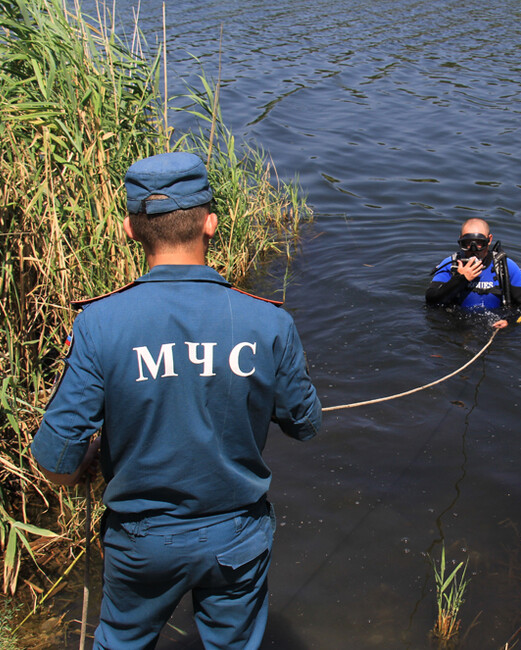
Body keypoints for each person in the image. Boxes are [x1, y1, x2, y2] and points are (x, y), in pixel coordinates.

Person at [30, 151, 322, 649]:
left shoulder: (100, 323)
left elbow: (54, 462)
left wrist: (93, 461)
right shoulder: (268, 321)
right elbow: (305, 423)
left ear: (129, 228)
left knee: (121, 641)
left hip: (140, 541)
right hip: (237, 536)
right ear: (210, 224)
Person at [425, 217, 521, 328]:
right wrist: (460, 279)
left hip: (496, 327)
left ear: (489, 240)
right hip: (457, 326)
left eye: (480, 243)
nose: (473, 250)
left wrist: (510, 321)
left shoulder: (505, 266)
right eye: (467, 243)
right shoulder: (451, 264)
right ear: (460, 240)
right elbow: (431, 300)